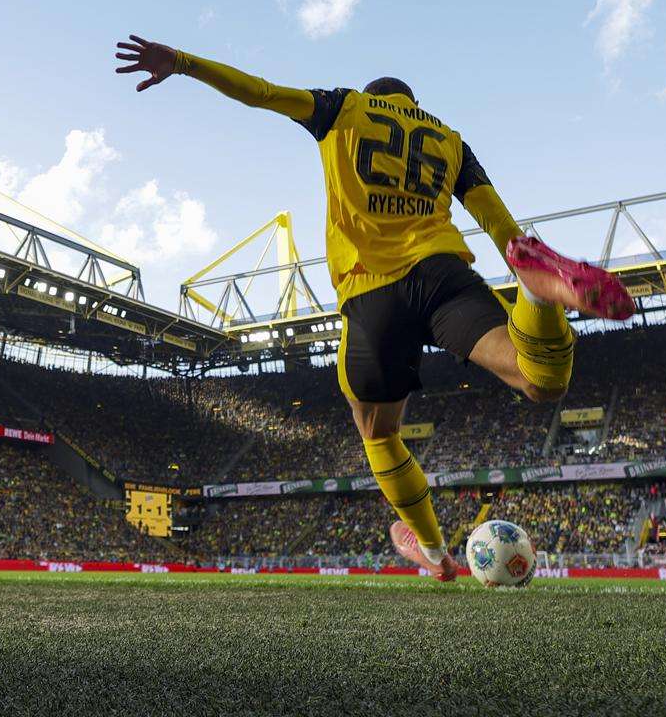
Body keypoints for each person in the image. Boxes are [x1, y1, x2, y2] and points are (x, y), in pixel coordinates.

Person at [113, 37, 633, 579]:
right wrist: (516, 252)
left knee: (379, 433)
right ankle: (536, 294)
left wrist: (184, 63)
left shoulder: (344, 108)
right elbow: (496, 221)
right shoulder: (449, 139)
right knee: (539, 379)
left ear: (374, 97)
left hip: (373, 292)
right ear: (413, 104)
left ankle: (435, 553)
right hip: (443, 276)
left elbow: (261, 93)